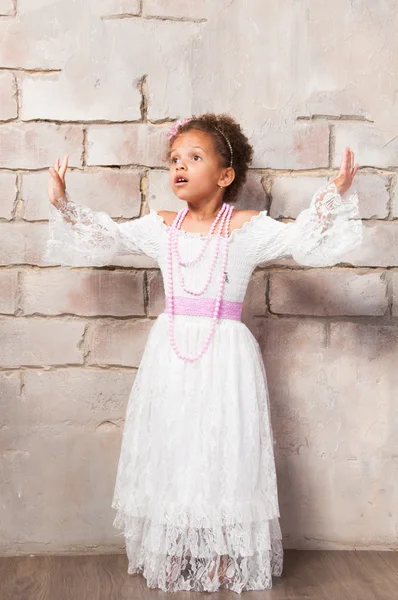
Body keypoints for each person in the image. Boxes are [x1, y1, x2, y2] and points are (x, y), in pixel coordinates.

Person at [46, 113, 362, 593]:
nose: (180, 166)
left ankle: (220, 555)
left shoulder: (247, 228)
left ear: (225, 174)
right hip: (170, 356)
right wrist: (64, 204)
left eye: (194, 158)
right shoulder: (161, 227)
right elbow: (108, 236)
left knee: (222, 450)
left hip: (225, 354)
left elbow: (302, 241)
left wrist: (332, 194)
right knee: (174, 446)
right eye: (174, 159)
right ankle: (176, 550)